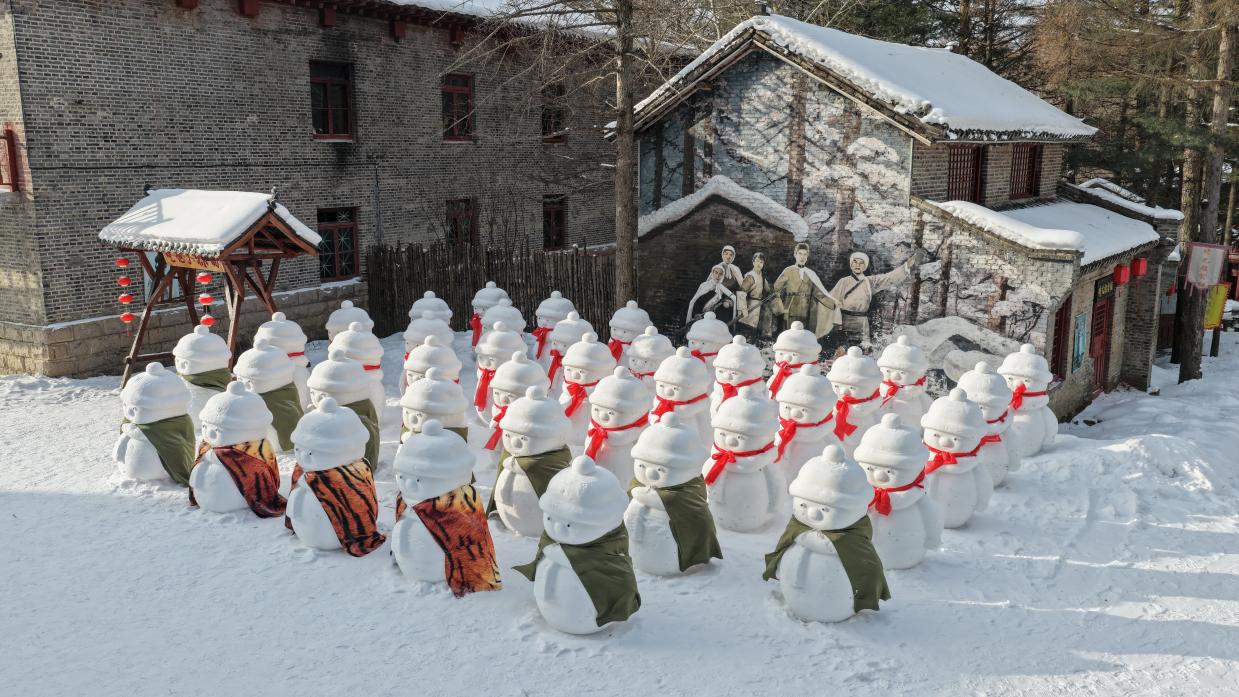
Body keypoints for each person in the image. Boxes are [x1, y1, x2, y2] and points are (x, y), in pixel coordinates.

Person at [828, 250, 926, 346]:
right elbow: (830, 300)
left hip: (862, 322)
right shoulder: (843, 281)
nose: (858, 265)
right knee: (842, 350)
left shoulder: (870, 282)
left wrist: (907, 266)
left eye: (861, 263)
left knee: (862, 349)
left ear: (865, 266)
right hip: (845, 321)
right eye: (855, 262)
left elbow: (889, 278)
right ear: (851, 264)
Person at [771, 243, 840, 339]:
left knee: (804, 338)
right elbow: (775, 291)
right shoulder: (788, 271)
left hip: (807, 312)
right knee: (789, 337)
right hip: (789, 310)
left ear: (807, 256)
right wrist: (779, 310)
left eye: (805, 254)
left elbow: (819, 294)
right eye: (800, 254)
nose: (802, 257)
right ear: (795, 254)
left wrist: (834, 305)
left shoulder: (811, 274)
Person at [737, 252, 777, 341]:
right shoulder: (750, 276)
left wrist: (773, 291)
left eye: (761, 262)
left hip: (759, 305)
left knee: (757, 329)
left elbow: (768, 289)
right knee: (747, 328)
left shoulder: (762, 276)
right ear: (753, 262)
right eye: (757, 261)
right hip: (750, 305)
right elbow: (741, 293)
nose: (759, 264)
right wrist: (743, 309)